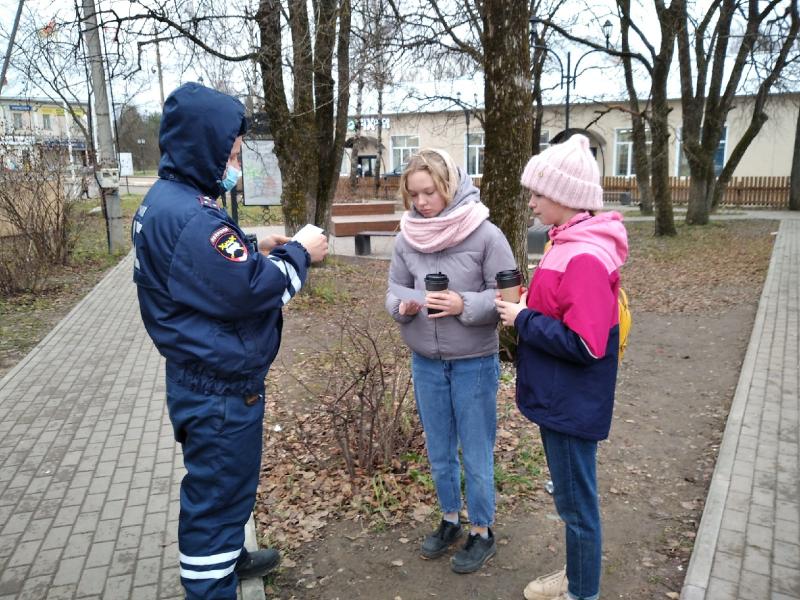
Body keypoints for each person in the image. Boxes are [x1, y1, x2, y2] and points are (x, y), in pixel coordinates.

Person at [131, 82, 328, 600]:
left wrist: (249, 243)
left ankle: (231, 558)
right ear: (205, 145)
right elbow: (256, 289)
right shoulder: (193, 217)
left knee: (226, 488)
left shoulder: (170, 201)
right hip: (218, 390)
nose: (235, 162)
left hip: (205, 377)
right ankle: (211, 583)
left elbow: (205, 271)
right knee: (216, 498)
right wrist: (302, 251)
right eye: (233, 153)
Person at [494, 134, 628, 600]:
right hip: (559, 396)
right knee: (570, 501)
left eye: (537, 194)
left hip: (572, 402)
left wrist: (523, 318)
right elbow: (566, 313)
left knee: (577, 507)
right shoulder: (565, 241)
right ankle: (575, 575)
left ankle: (581, 592)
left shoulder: (585, 255)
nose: (530, 202)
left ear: (565, 198)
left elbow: (588, 344)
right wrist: (532, 304)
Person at [385, 148, 516, 574]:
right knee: (440, 450)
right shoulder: (407, 236)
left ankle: (482, 531)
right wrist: (401, 306)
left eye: (429, 193)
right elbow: (395, 289)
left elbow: (509, 297)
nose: (421, 203)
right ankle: (449, 519)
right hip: (426, 361)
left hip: (473, 362)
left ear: (449, 187)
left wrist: (464, 303)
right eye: (414, 195)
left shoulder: (485, 233)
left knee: (476, 451)